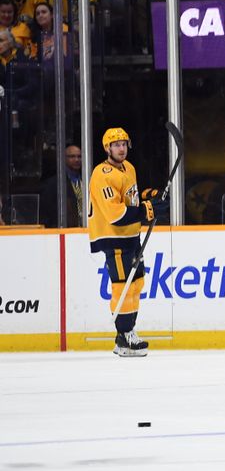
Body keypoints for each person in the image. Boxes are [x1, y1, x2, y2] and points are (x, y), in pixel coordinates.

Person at [88, 128, 166, 357]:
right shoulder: (101, 174)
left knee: (136, 284)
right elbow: (116, 214)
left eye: (124, 144)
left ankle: (129, 332)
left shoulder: (128, 168)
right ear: (107, 148)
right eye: (116, 145)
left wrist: (150, 195)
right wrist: (148, 210)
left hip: (131, 236)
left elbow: (130, 198)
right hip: (114, 237)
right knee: (122, 286)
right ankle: (124, 336)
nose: (121, 148)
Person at [40, 144, 82, 227]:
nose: (76, 160)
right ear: (64, 159)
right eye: (72, 156)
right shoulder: (54, 183)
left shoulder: (88, 180)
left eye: (79, 156)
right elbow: (47, 212)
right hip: (65, 230)